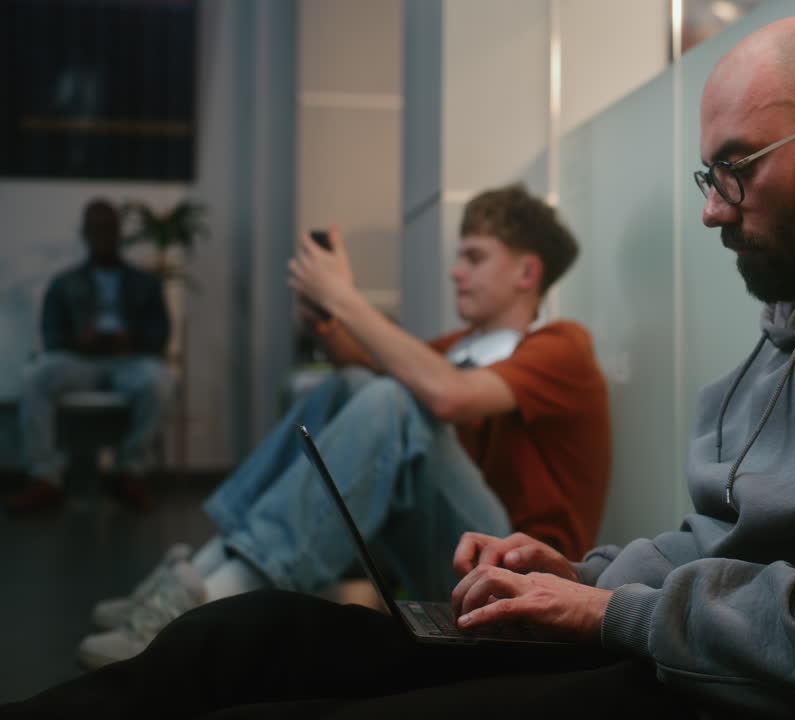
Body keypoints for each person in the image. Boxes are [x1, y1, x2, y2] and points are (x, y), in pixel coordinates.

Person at [5, 17, 795, 719]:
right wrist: (578, 576)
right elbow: (715, 549)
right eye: (707, 176)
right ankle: (213, 591)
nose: (712, 207)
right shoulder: (793, 325)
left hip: (725, 695)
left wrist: (606, 609)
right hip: (678, 654)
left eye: (735, 168)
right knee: (226, 649)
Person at [72, 184, 612, 670]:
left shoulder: (562, 345)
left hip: (521, 580)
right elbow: (363, 364)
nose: (456, 271)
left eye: (474, 257)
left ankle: (218, 604)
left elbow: (449, 395)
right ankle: (205, 572)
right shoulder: (460, 348)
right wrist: (327, 316)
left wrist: (346, 300)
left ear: (526, 273)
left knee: (394, 398)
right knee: (349, 385)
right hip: (458, 559)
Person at [4, 199, 172, 513]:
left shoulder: (145, 283)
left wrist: (132, 340)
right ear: (85, 234)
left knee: (159, 381)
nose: (102, 235)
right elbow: (51, 336)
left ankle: (128, 472)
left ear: (119, 232)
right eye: (95, 229)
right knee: (36, 376)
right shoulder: (64, 283)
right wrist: (77, 340)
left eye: (108, 228)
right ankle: (45, 478)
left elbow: (159, 335)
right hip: (79, 360)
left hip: (129, 360)